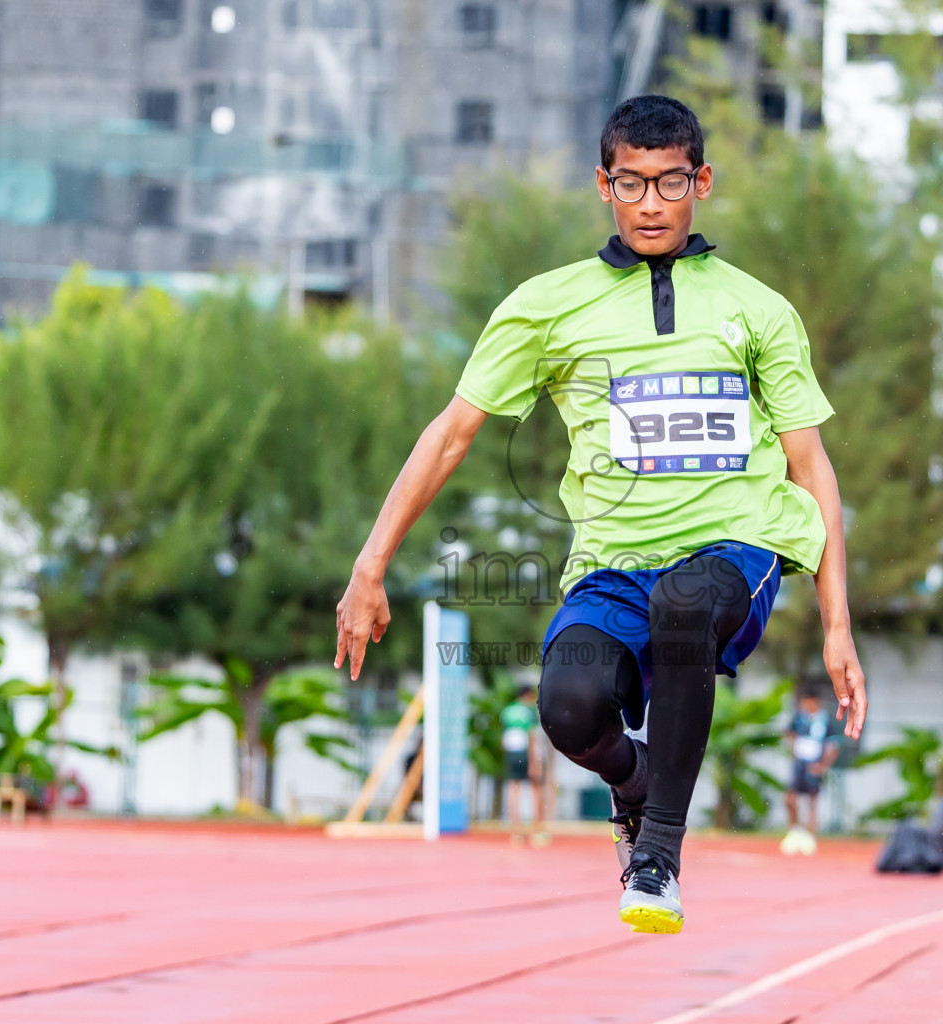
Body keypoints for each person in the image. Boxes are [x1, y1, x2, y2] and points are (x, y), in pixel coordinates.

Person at [334, 95, 867, 934]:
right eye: (631, 183)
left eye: (670, 182)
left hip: (739, 542)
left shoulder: (759, 311)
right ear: (603, 184)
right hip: (613, 563)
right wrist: (370, 566)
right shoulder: (546, 306)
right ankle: (638, 779)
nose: (651, 203)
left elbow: (812, 465)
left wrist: (837, 622)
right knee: (571, 708)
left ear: (703, 182)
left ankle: (656, 854)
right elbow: (449, 436)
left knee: (686, 603)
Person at [783, 687, 839, 851]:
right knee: (790, 797)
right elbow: (788, 733)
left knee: (812, 800)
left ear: (814, 701)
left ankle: (809, 836)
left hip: (814, 764)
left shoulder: (824, 720)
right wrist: (794, 749)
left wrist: (823, 765)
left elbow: (832, 745)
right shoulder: (799, 718)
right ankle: (794, 831)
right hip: (799, 763)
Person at [502, 684, 546, 838]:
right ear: (528, 695)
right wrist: (536, 763)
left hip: (511, 754)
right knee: (536, 788)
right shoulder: (529, 712)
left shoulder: (507, 712)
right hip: (526, 752)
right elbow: (533, 737)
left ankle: (516, 831)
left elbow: (504, 738)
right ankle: (537, 830)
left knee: (514, 788)